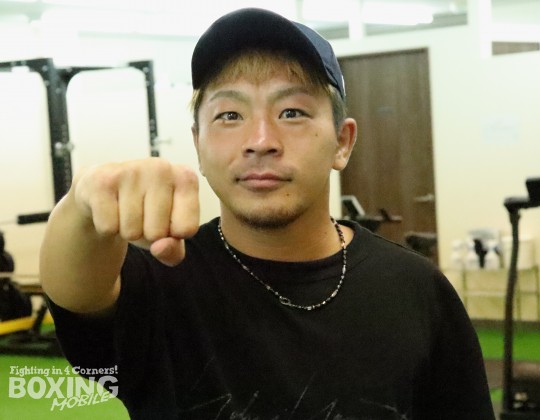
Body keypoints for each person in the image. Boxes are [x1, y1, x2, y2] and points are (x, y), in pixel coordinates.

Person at [40, 8, 495, 419]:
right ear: (198, 142)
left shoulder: (415, 290)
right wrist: (82, 204)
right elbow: (75, 293)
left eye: (292, 112)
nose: (260, 140)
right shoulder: (163, 280)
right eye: (229, 115)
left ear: (342, 142)